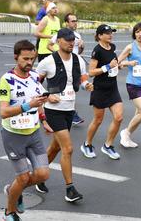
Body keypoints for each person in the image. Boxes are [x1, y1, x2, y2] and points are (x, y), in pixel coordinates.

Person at [35, 28, 93, 201]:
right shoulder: (48, 62)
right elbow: (33, 84)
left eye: (72, 40)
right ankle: (70, 189)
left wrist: (87, 85)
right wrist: (46, 95)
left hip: (69, 109)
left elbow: (82, 80)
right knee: (68, 148)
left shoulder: (78, 60)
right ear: (58, 41)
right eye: (67, 40)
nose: (71, 42)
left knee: (56, 147)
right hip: (54, 111)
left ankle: (38, 176)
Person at [0, 40, 50, 221]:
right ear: (16, 57)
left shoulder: (35, 76)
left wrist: (43, 119)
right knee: (22, 178)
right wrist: (29, 105)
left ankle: (14, 190)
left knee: (44, 174)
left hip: (33, 133)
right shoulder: (6, 80)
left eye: (32, 58)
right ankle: (9, 212)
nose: (29, 62)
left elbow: (39, 100)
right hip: (14, 136)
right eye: (25, 59)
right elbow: (3, 112)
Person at [80, 24, 123, 159]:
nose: (111, 35)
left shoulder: (112, 47)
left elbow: (113, 65)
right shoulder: (97, 50)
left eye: (111, 32)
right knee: (98, 120)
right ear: (99, 36)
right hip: (100, 89)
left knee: (119, 117)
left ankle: (108, 146)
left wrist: (118, 67)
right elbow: (91, 72)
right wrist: (107, 67)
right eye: (108, 33)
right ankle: (87, 144)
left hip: (113, 88)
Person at [47, 13, 85, 126]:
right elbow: (49, 45)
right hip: (61, 66)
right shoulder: (61, 34)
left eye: (76, 20)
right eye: (72, 21)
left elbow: (79, 52)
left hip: (74, 66)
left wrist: (82, 46)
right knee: (59, 88)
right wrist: (57, 55)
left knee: (72, 90)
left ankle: (69, 113)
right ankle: (63, 113)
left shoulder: (78, 35)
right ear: (67, 23)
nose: (75, 23)